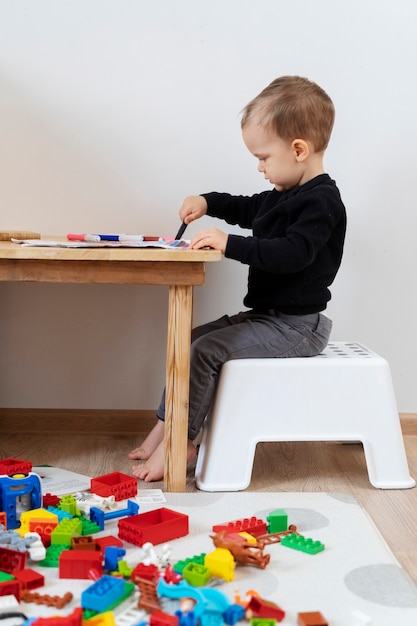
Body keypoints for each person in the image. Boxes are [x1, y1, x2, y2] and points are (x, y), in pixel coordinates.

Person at [129, 75, 347, 482]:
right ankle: (165, 428)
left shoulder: (321, 202)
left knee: (205, 351)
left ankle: (183, 442)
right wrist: (207, 202)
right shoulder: (283, 195)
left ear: (298, 149)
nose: (260, 167)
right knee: (190, 339)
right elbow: (246, 207)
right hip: (269, 318)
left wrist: (231, 245)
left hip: (298, 327)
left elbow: (292, 254)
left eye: (263, 157)